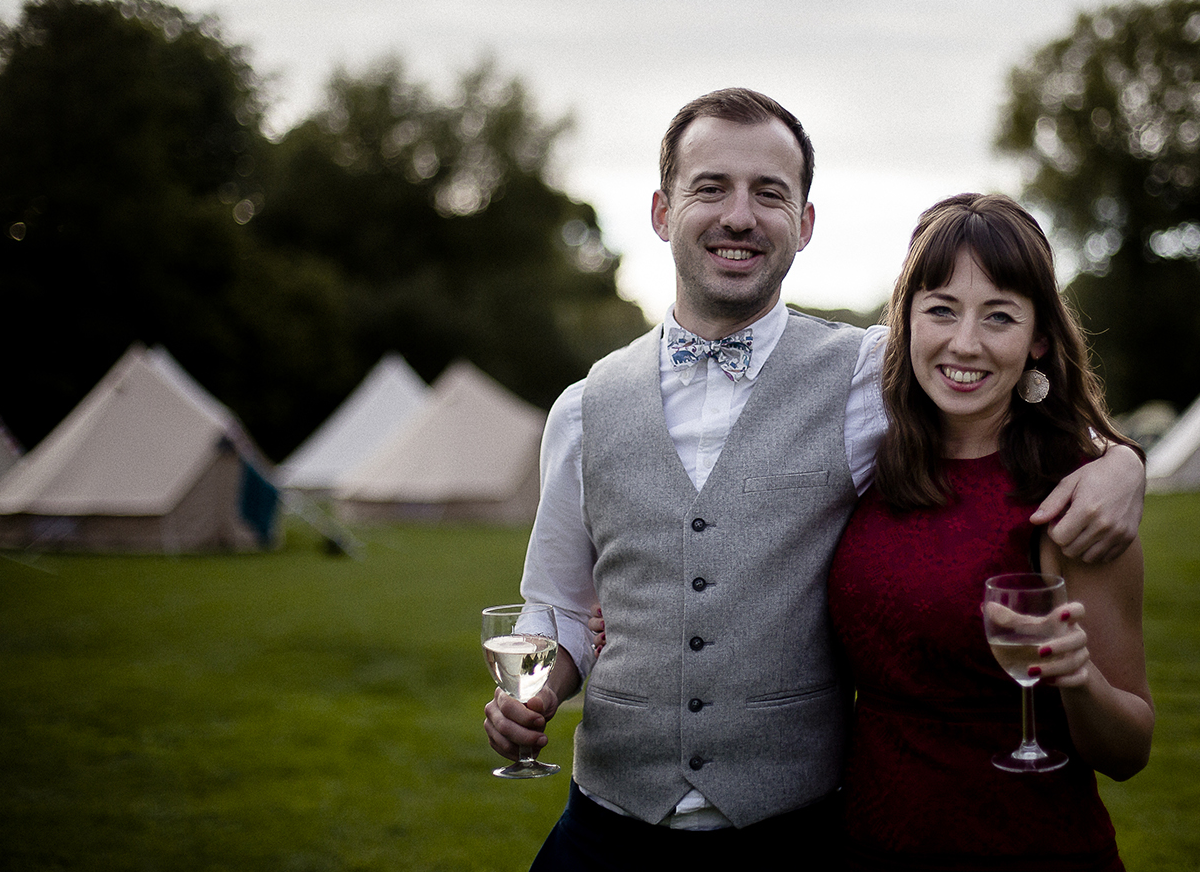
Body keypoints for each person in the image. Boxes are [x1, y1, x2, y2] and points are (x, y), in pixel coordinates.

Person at [483, 89, 1147, 870]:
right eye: (711, 187)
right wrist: (535, 692)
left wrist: (1120, 461)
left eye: (769, 193)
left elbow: (992, 384)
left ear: (803, 223)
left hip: (797, 833)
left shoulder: (869, 375)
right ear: (662, 212)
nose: (739, 216)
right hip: (607, 828)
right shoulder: (582, 410)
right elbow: (559, 607)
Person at [827, 192, 1154, 871]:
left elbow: (1130, 750)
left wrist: (1078, 676)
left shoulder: (1074, 497)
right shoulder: (868, 459)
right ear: (906, 320)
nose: (965, 343)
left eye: (999, 316)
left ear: (1039, 338)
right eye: (941, 309)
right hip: (867, 842)